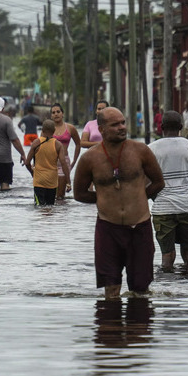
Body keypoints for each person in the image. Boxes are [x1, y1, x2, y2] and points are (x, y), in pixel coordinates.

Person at [72, 107, 167, 299]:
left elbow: (159, 182)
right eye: (115, 124)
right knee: (111, 289)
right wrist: (104, 199)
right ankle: (111, 327)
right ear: (102, 129)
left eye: (123, 122)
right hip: (108, 228)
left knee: (140, 291)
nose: (122, 127)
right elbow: (79, 193)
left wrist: (139, 196)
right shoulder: (90, 158)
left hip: (139, 226)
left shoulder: (140, 151)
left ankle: (137, 326)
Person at [149, 111, 188, 271]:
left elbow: (145, 183)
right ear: (181, 127)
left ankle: (167, 289)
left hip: (163, 209)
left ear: (161, 127)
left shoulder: (151, 149)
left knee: (167, 256)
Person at [23, 118, 70, 206]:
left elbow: (27, 163)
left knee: (39, 208)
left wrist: (32, 172)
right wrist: (68, 182)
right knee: (50, 208)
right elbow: (64, 164)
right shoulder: (58, 144)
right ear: (54, 131)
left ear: (42, 130)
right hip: (52, 183)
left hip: (39, 182)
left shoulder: (36, 143)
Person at [48, 103, 81, 198]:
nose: (56, 114)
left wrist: (74, 161)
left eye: (58, 112)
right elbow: (40, 145)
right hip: (50, 162)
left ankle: (62, 212)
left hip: (64, 163)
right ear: (51, 116)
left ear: (62, 114)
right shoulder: (48, 129)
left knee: (60, 195)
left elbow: (78, 144)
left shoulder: (70, 128)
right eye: (53, 112)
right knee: (51, 194)